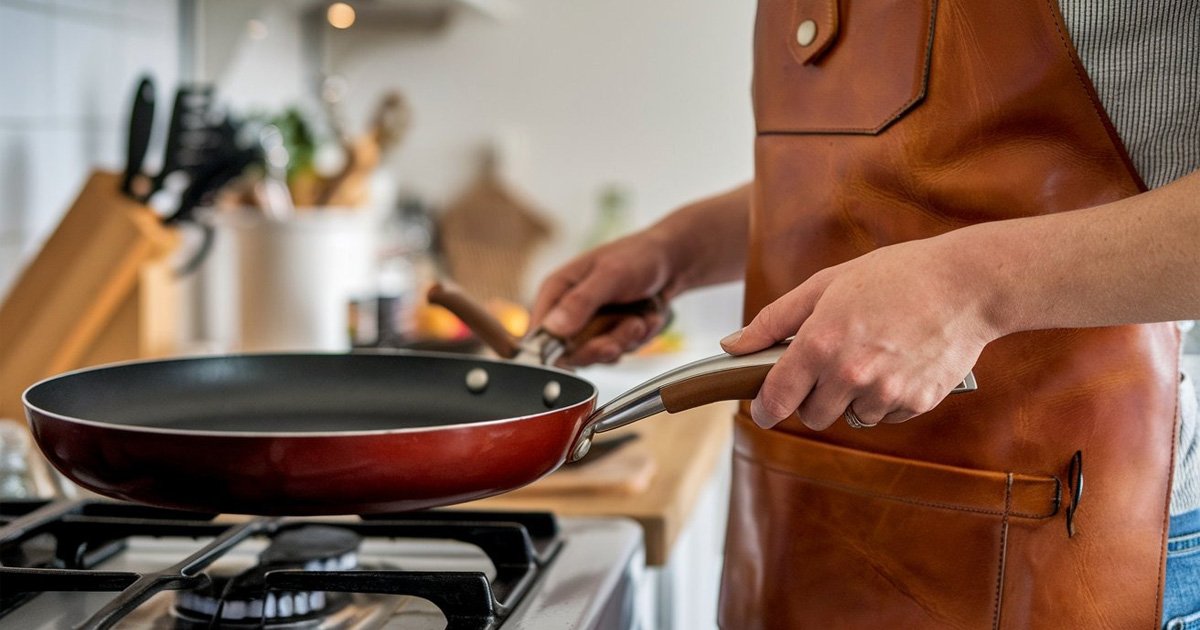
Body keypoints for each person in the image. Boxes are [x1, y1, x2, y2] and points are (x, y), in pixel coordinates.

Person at [530, 1, 1199, 628]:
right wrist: (674, 251)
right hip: (797, 526)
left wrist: (972, 288)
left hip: (1063, 546)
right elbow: (891, 174)